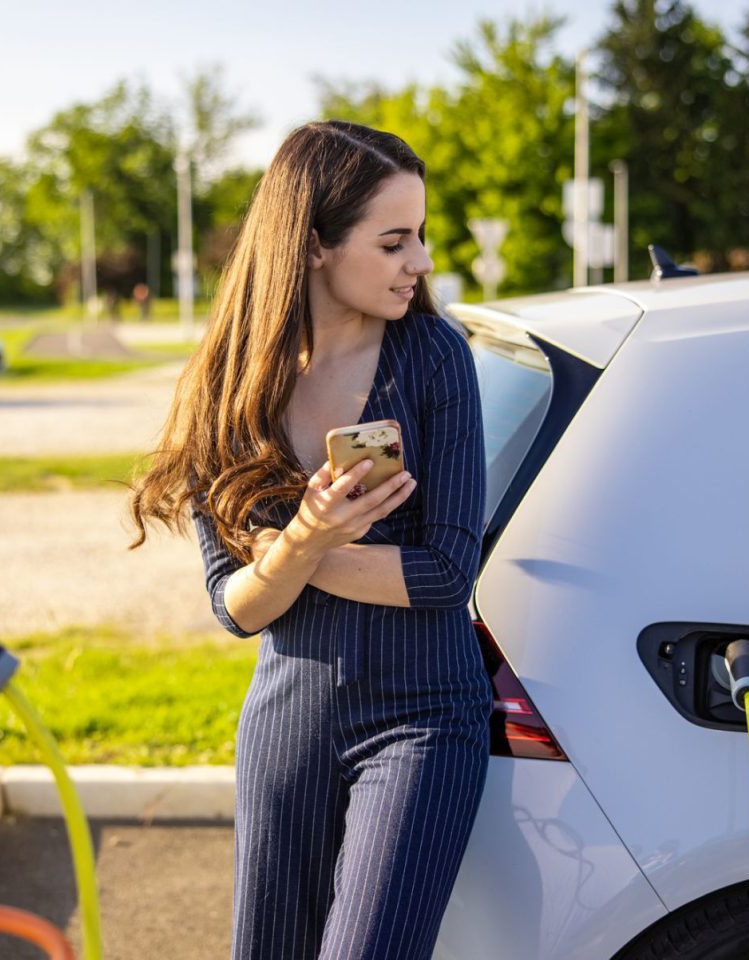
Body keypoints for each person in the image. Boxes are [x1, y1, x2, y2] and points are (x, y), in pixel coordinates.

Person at [125, 119, 490, 960]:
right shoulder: (229, 389)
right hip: (288, 722)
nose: (423, 262)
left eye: (422, 237)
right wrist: (306, 539)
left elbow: (442, 573)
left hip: (424, 721)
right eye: (396, 241)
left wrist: (291, 552)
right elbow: (238, 609)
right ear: (315, 245)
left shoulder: (435, 357)